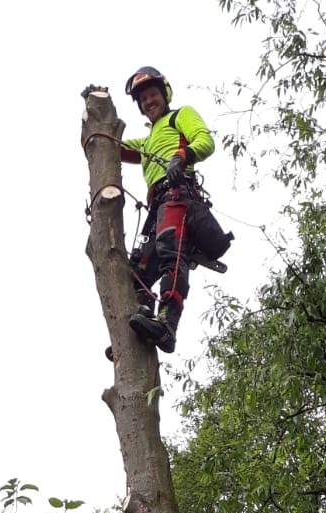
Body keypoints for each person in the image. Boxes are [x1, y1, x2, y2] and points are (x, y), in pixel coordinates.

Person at [120, 66, 217, 354]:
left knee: (170, 251)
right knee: (138, 272)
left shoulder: (180, 116)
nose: (149, 101)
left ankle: (167, 325)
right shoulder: (148, 141)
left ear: (165, 95)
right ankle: (134, 334)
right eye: (143, 99)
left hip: (178, 194)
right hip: (157, 205)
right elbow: (114, 146)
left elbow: (205, 140)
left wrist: (182, 156)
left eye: (152, 95)